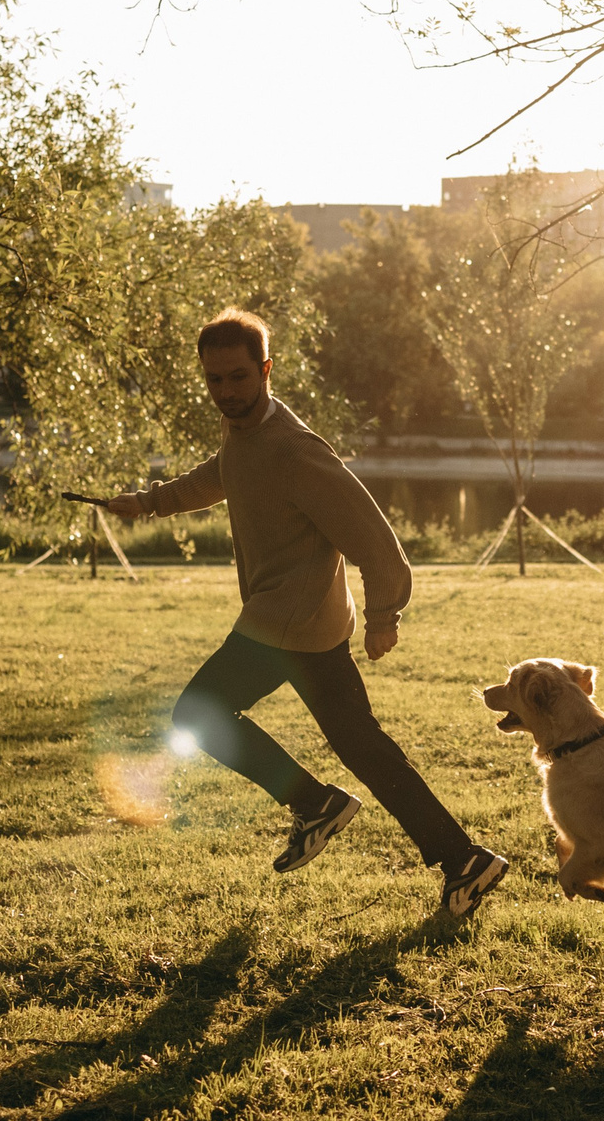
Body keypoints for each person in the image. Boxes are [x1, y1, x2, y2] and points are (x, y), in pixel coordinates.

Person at [100, 308, 509, 917]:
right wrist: (152, 502)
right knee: (365, 748)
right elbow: (223, 475)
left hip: (285, 620)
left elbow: (372, 534)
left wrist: (384, 615)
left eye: (238, 377)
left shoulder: (293, 448)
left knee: (198, 712)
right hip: (308, 624)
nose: (226, 392)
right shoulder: (245, 436)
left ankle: (314, 803)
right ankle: (464, 861)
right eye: (214, 380)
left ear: (266, 369)